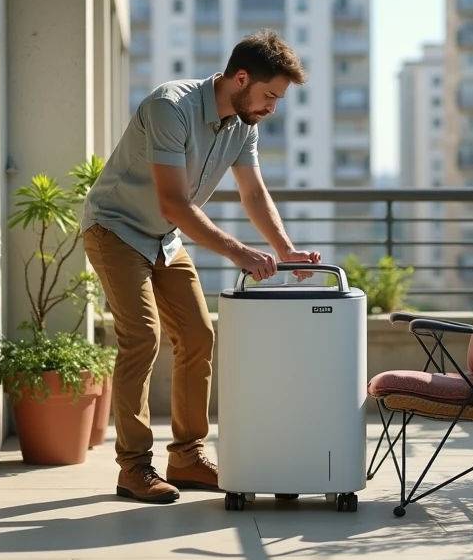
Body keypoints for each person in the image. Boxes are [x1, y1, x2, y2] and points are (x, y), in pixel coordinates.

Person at [81, 30, 321, 504]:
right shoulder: (169, 107)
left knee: (197, 336)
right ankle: (133, 469)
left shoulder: (243, 125)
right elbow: (174, 202)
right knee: (142, 337)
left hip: (163, 238)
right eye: (269, 95)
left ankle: (187, 457)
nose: (273, 107)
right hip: (115, 228)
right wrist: (241, 254)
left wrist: (285, 250)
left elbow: (253, 194)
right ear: (241, 77)